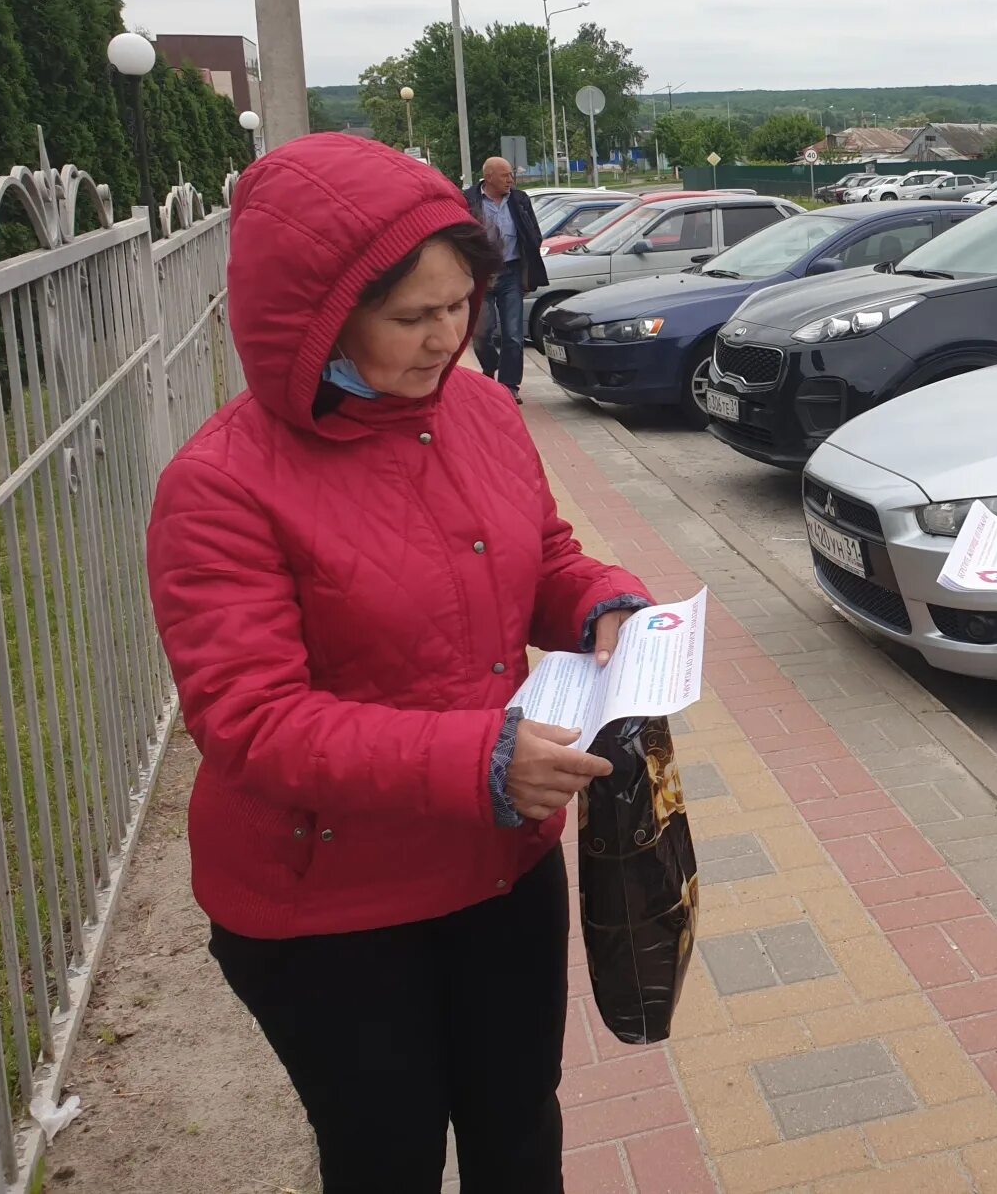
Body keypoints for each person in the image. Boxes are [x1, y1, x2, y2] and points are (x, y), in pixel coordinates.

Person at [147, 134, 651, 1193]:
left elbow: (541, 555)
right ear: (318, 317)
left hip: (499, 866)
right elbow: (251, 720)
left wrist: (601, 601)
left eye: (460, 304)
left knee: (520, 1130)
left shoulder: (478, 410)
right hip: (329, 906)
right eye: (411, 317)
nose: (447, 338)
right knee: (387, 1159)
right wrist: (483, 758)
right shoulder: (221, 488)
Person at [468, 155, 547, 401]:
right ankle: (490, 366)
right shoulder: (468, 200)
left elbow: (534, 233)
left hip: (511, 273)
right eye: (505, 176)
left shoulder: (519, 199)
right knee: (481, 333)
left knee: (513, 334)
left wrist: (529, 265)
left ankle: (509, 386)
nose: (510, 180)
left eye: (511, 175)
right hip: (482, 274)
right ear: (488, 177)